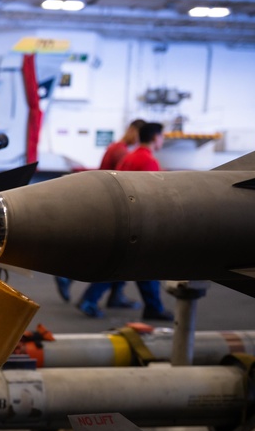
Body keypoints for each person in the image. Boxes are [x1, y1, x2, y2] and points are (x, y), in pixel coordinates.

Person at [77, 122, 173, 321]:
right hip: (139, 222)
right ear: (155, 138)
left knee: (129, 265)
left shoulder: (128, 157)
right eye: (162, 136)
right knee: (140, 265)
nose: (162, 140)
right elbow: (153, 197)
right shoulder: (149, 162)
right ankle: (90, 299)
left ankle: (148, 306)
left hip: (123, 219)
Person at [62, 119, 147, 312]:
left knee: (113, 254)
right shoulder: (122, 152)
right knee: (112, 255)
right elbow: (122, 183)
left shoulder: (118, 148)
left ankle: (115, 295)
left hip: (108, 205)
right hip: (114, 209)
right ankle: (69, 279)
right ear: (133, 131)